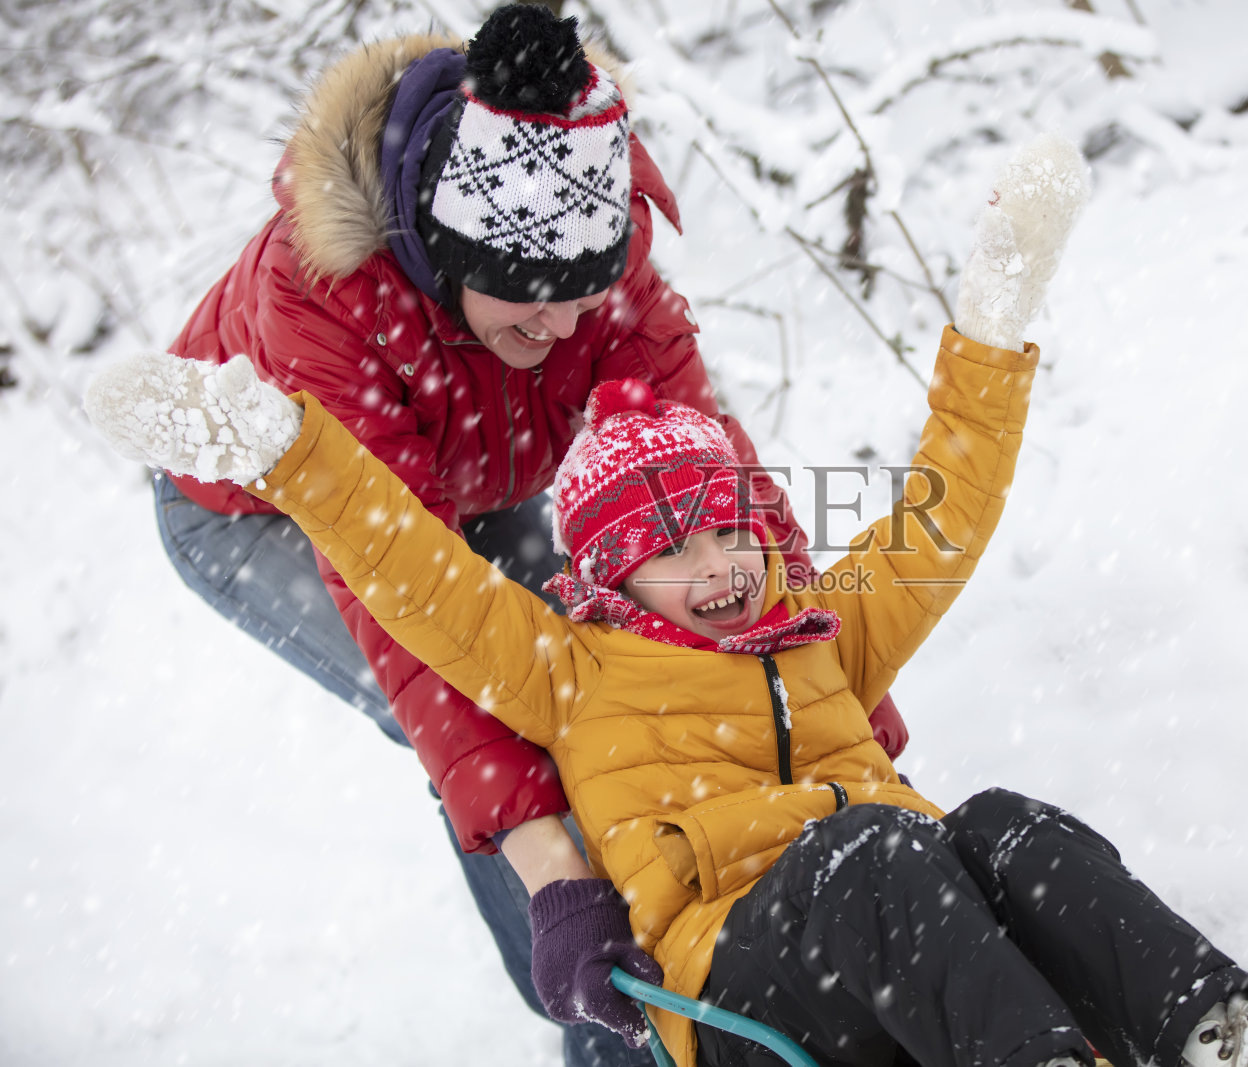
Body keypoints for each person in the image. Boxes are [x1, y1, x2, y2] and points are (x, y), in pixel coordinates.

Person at [88, 136, 1248, 1067]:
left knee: (1002, 826)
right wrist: (283, 451)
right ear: (606, 573)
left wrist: (992, 325)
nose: (718, 559)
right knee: (881, 853)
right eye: (673, 545)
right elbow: (406, 569)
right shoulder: (567, 668)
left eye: (726, 523)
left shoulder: (819, 629)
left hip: (884, 935)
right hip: (740, 986)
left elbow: (945, 506)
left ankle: (1235, 1033)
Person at [147, 6, 908, 1064]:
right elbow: (407, 609)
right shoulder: (321, 297)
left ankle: (743, 937)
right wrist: (555, 872)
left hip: (469, 475)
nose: (559, 332)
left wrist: (820, 672)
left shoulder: (595, 247)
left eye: (579, 303)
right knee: (508, 711)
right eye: (525, 307)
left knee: (623, 675)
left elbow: (709, 476)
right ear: (441, 247)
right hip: (262, 506)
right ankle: (611, 1015)